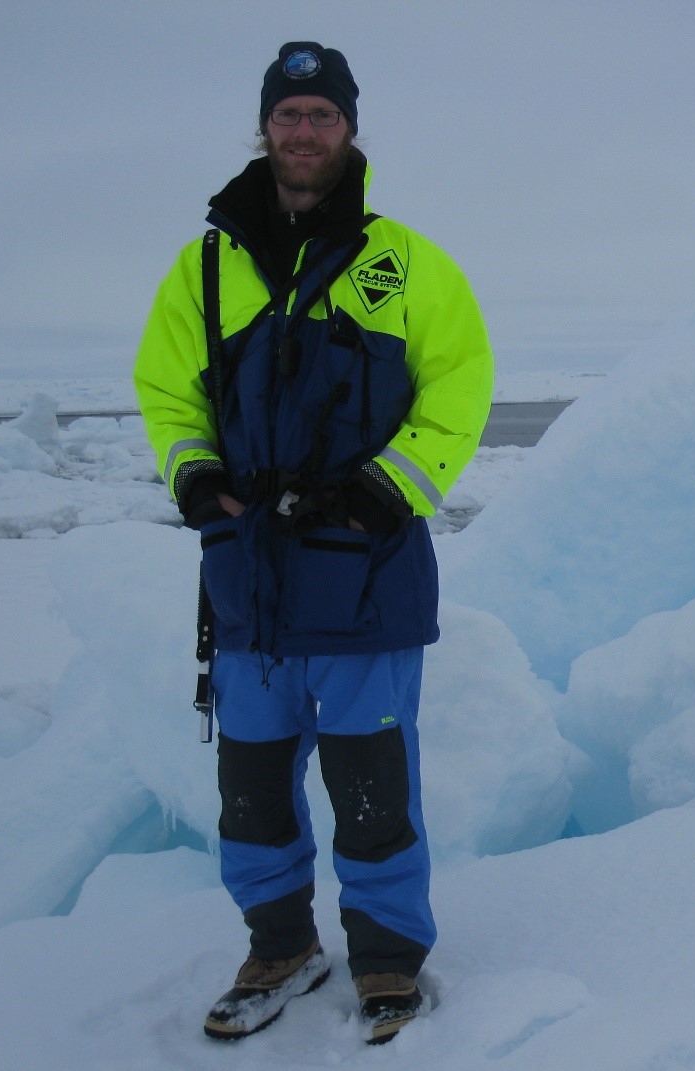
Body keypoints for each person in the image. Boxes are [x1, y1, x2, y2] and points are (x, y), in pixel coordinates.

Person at [133, 41, 493, 1045]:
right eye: (288, 113)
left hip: (365, 575)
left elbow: (460, 385)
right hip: (248, 579)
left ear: (348, 128)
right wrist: (198, 477)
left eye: (321, 114)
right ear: (266, 128)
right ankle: (279, 945)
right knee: (251, 790)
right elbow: (168, 393)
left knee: (372, 789)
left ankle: (385, 962)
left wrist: (388, 490)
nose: (304, 131)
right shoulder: (205, 264)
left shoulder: (406, 263)